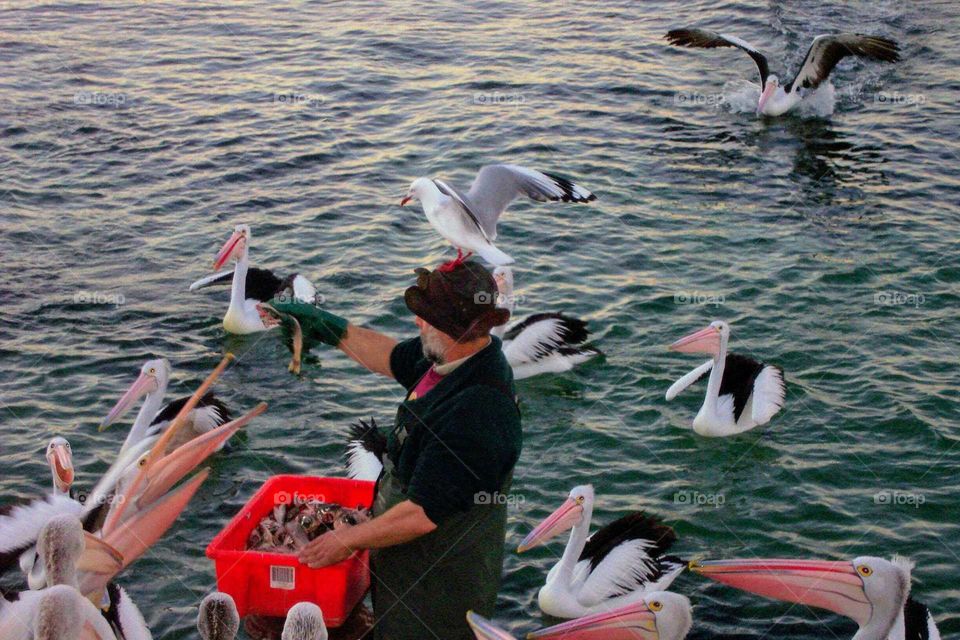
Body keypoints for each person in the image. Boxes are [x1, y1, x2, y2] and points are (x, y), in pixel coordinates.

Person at [263, 259, 522, 640]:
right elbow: (388, 356)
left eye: (426, 319)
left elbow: (421, 515)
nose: (417, 323)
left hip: (439, 590)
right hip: (405, 566)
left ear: (452, 329)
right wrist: (321, 324)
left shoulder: (478, 412)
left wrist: (346, 540)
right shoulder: (451, 356)